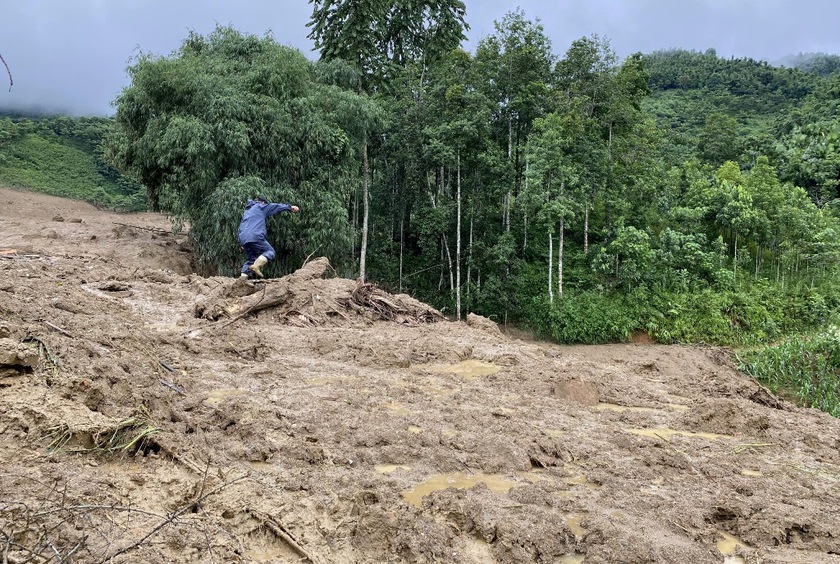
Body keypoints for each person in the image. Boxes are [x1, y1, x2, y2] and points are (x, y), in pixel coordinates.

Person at [237, 196, 299, 279]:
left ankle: (242, 280)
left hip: (243, 238)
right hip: (255, 235)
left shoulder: (247, 212)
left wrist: (240, 241)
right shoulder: (260, 206)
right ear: (263, 203)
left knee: (251, 259)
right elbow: (275, 206)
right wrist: (289, 207)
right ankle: (256, 266)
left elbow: (240, 227)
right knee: (270, 252)